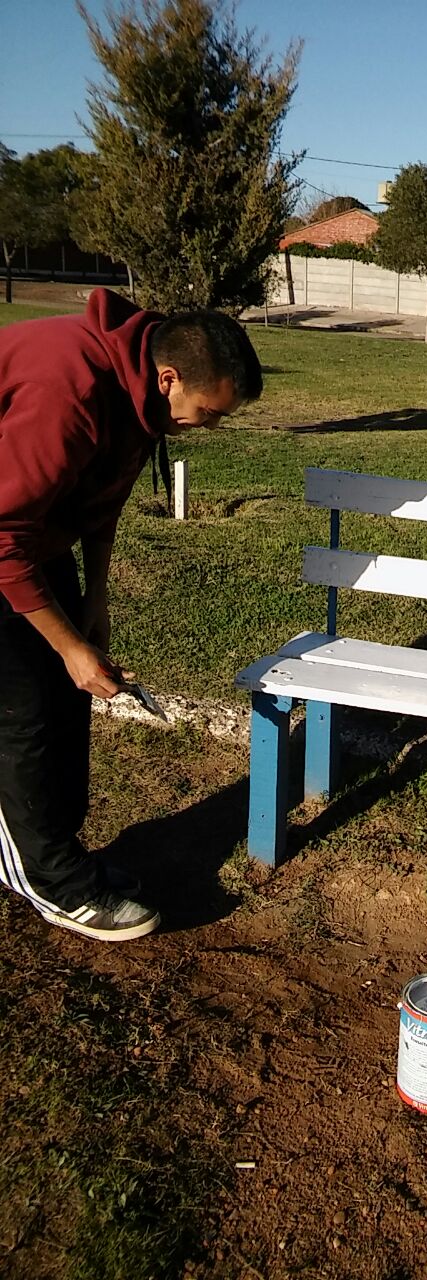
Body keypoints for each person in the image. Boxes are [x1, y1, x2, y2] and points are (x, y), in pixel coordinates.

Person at [0, 288, 262, 941]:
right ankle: (48, 880)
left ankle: (54, 855)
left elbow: (101, 500)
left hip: (33, 539)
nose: (209, 427)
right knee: (23, 711)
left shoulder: (142, 397)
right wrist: (66, 645)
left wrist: (93, 605)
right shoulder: (68, 390)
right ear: (170, 378)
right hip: (3, 538)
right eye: (207, 412)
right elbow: (2, 536)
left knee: (66, 702)